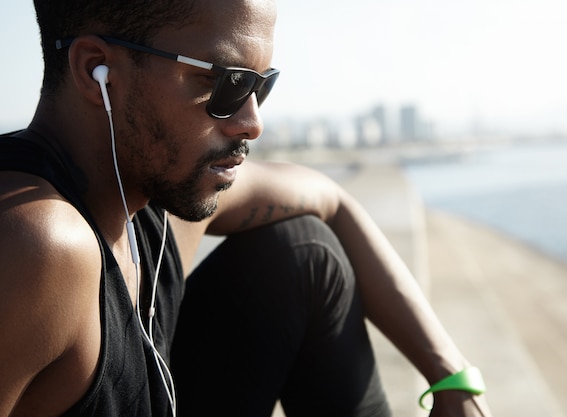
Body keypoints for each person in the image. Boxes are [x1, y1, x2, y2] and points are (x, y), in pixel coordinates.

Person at [0, 0, 491, 416]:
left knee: (303, 253)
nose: (252, 122)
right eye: (228, 82)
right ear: (96, 71)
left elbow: (330, 198)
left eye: (261, 84)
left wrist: (450, 377)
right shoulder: (35, 245)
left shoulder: (154, 195)